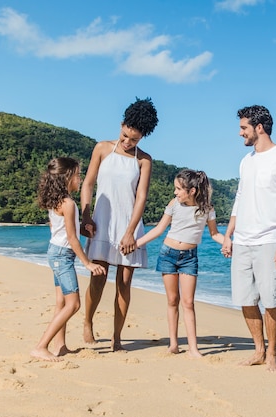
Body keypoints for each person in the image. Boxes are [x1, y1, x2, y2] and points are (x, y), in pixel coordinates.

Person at [221, 105, 276, 372]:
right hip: (242, 240)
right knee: (245, 298)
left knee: (270, 300)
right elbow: (240, 199)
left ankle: (272, 354)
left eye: (243, 127)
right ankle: (258, 350)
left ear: (259, 128)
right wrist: (229, 235)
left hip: (270, 240)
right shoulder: (247, 161)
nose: (239, 133)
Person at [80, 97, 159, 351]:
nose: (127, 142)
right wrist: (85, 215)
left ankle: (116, 337)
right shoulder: (102, 148)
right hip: (102, 223)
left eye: (134, 139)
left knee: (124, 283)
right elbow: (88, 184)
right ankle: (87, 323)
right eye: (125, 135)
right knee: (98, 278)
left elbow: (141, 197)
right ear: (121, 124)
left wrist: (129, 233)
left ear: (142, 137)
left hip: (129, 228)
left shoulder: (144, 160)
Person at [133, 169, 224, 357]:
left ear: (192, 190)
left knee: (188, 302)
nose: (175, 192)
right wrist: (136, 244)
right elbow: (158, 229)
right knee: (172, 300)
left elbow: (215, 234)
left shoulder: (207, 209)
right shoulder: (174, 204)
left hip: (189, 258)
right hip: (168, 254)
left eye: (178, 189)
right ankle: (173, 344)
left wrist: (232, 244)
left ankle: (193, 348)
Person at [32, 157, 107, 362]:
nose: (80, 179)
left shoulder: (56, 201)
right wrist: (88, 263)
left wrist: (84, 229)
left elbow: (60, 229)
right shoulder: (69, 204)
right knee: (73, 304)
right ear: (67, 177)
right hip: (63, 256)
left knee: (61, 302)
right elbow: (72, 239)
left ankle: (60, 346)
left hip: (54, 251)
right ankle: (41, 346)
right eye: (77, 175)